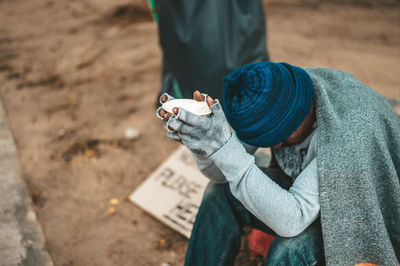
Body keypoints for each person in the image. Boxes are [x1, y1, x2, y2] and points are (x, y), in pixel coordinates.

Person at [156, 62, 400, 266]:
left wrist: (225, 148)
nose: (278, 146)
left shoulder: (347, 134)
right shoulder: (279, 93)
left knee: (290, 251)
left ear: (301, 114)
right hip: (313, 196)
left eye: (278, 138)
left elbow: (293, 220)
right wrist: (204, 145)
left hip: (359, 215)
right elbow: (221, 175)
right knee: (219, 194)